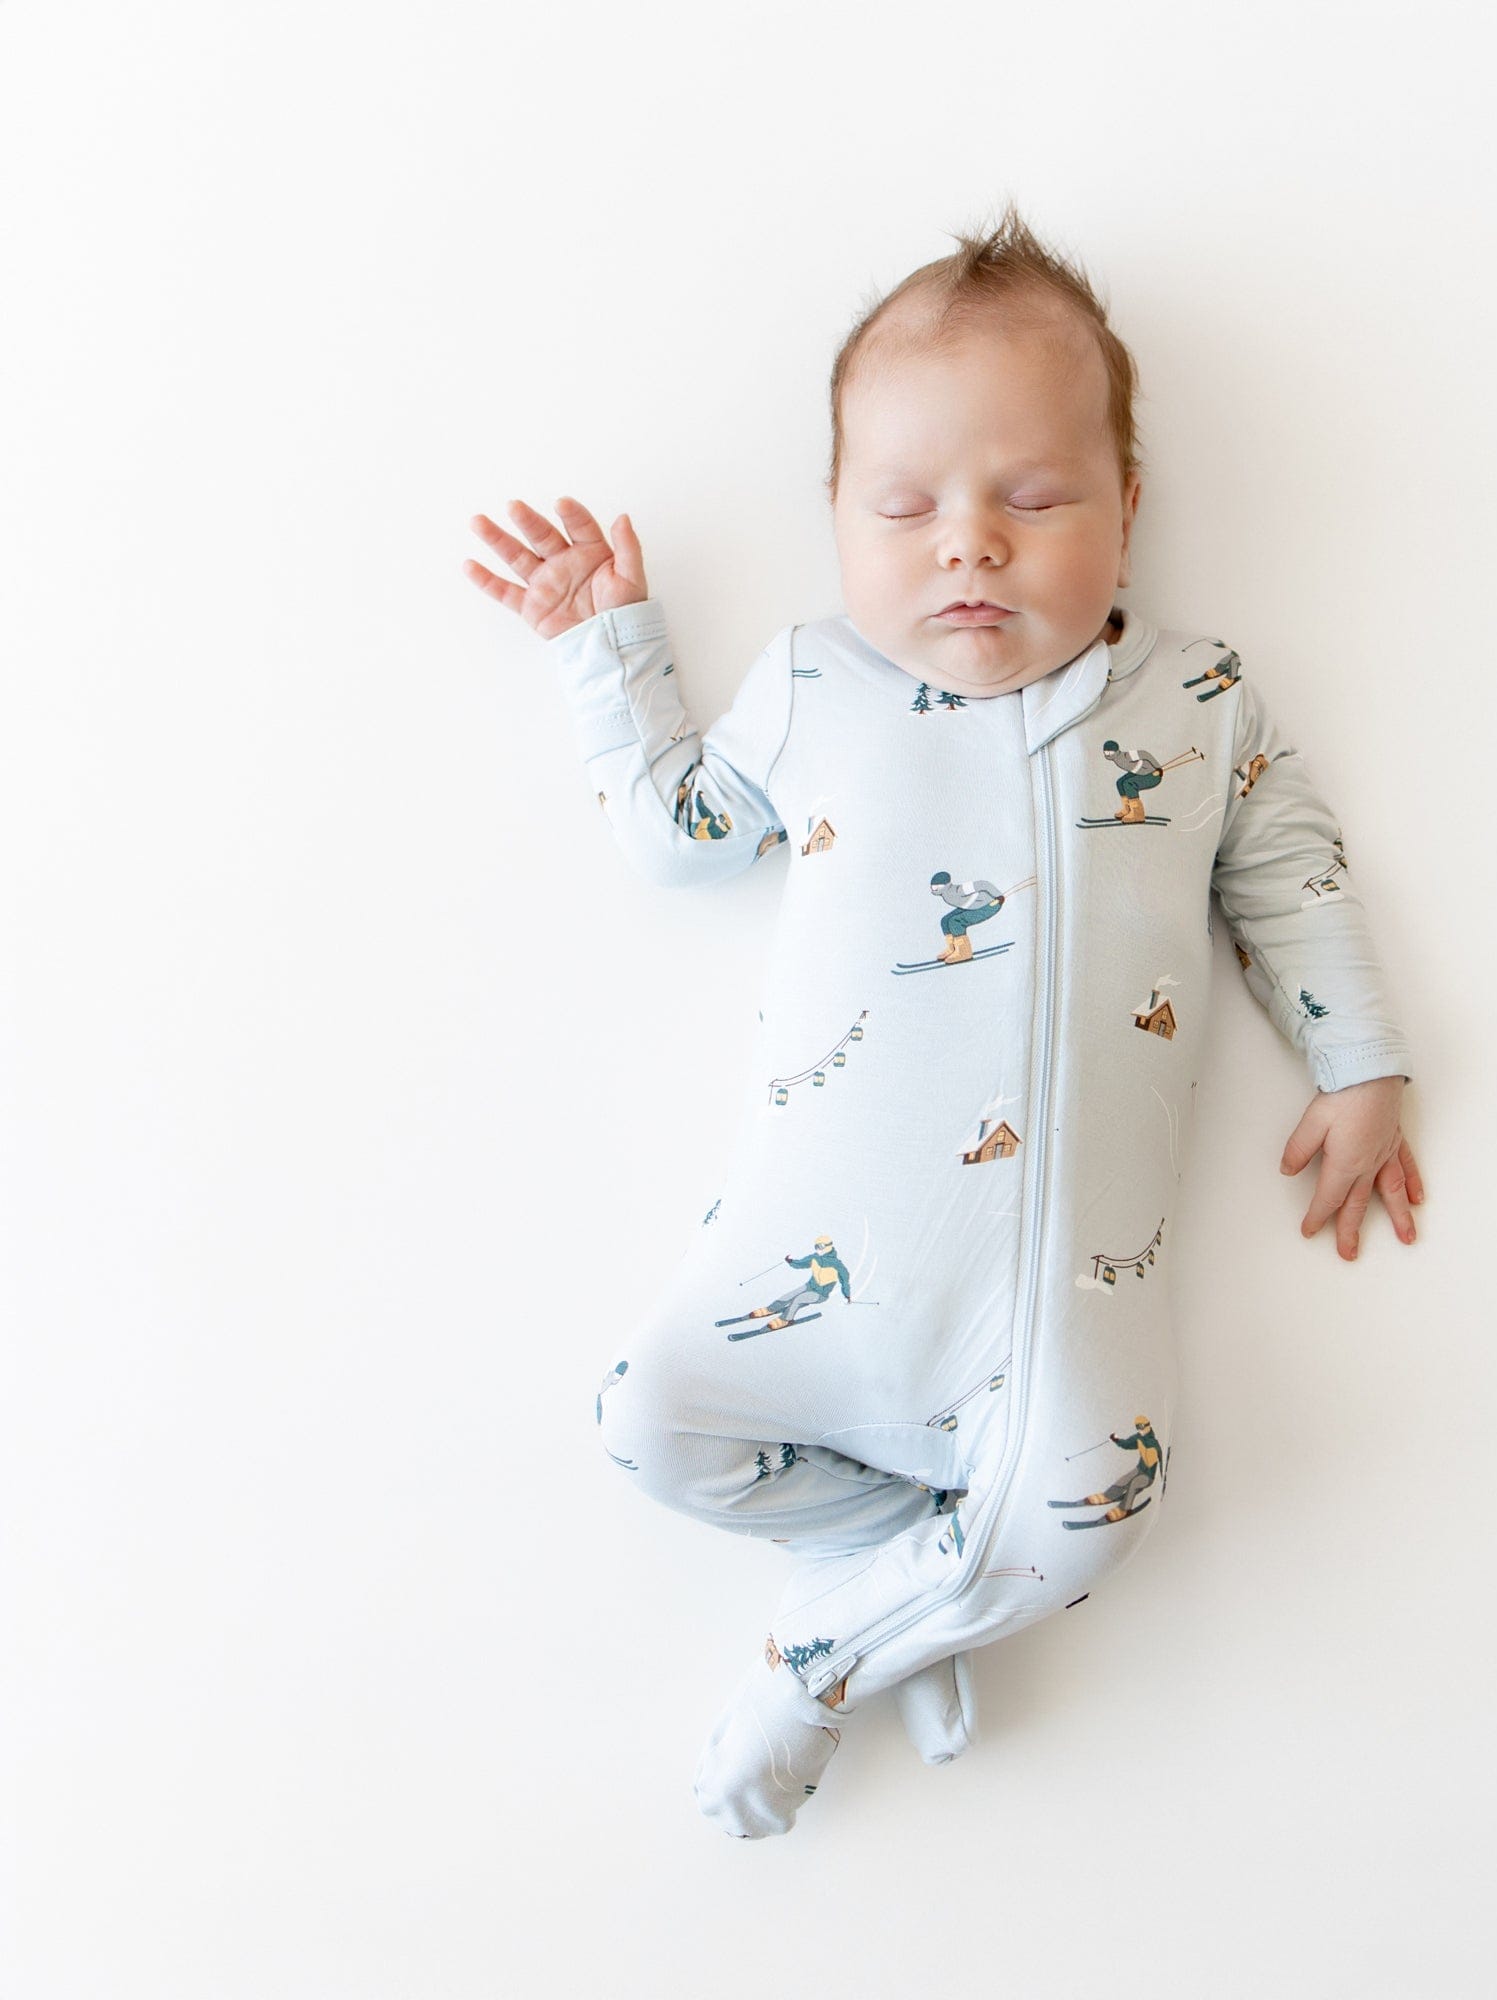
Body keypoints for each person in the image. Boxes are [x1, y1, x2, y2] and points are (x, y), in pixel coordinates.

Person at [463, 198, 1426, 1839]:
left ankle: (830, 1651)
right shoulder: (816, 684)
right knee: (645, 1422)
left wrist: (1363, 1062)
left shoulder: (1194, 704)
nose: (968, 541)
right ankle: (904, 1566)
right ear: (836, 520)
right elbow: (678, 831)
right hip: (803, 1276)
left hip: (1052, 1307)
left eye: (1034, 496)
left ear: (1127, 507)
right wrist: (604, 650)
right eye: (904, 506)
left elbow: (1291, 871)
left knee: (1093, 1504)